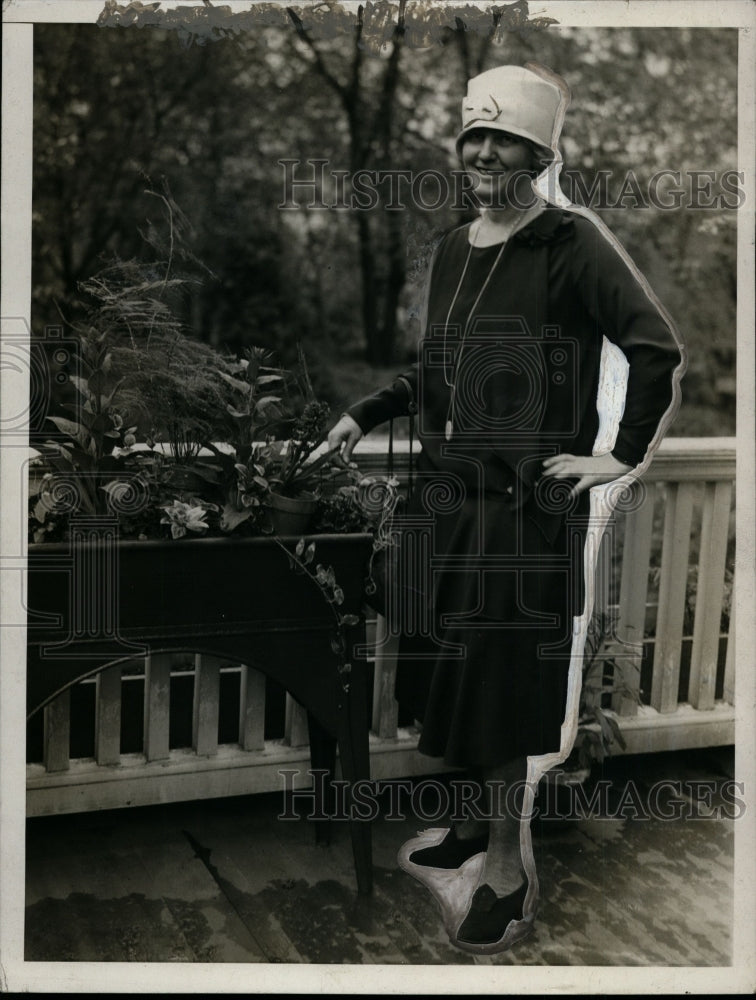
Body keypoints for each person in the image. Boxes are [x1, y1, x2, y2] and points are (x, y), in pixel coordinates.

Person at [328, 63, 684, 954]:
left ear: (538, 151)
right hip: (447, 504)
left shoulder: (569, 244)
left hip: (522, 515)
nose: (484, 153)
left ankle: (508, 871)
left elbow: (655, 349)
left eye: (505, 140)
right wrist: (363, 412)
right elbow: (437, 374)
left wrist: (620, 456)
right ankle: (475, 828)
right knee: (451, 677)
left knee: (500, 687)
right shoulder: (455, 247)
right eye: (473, 137)